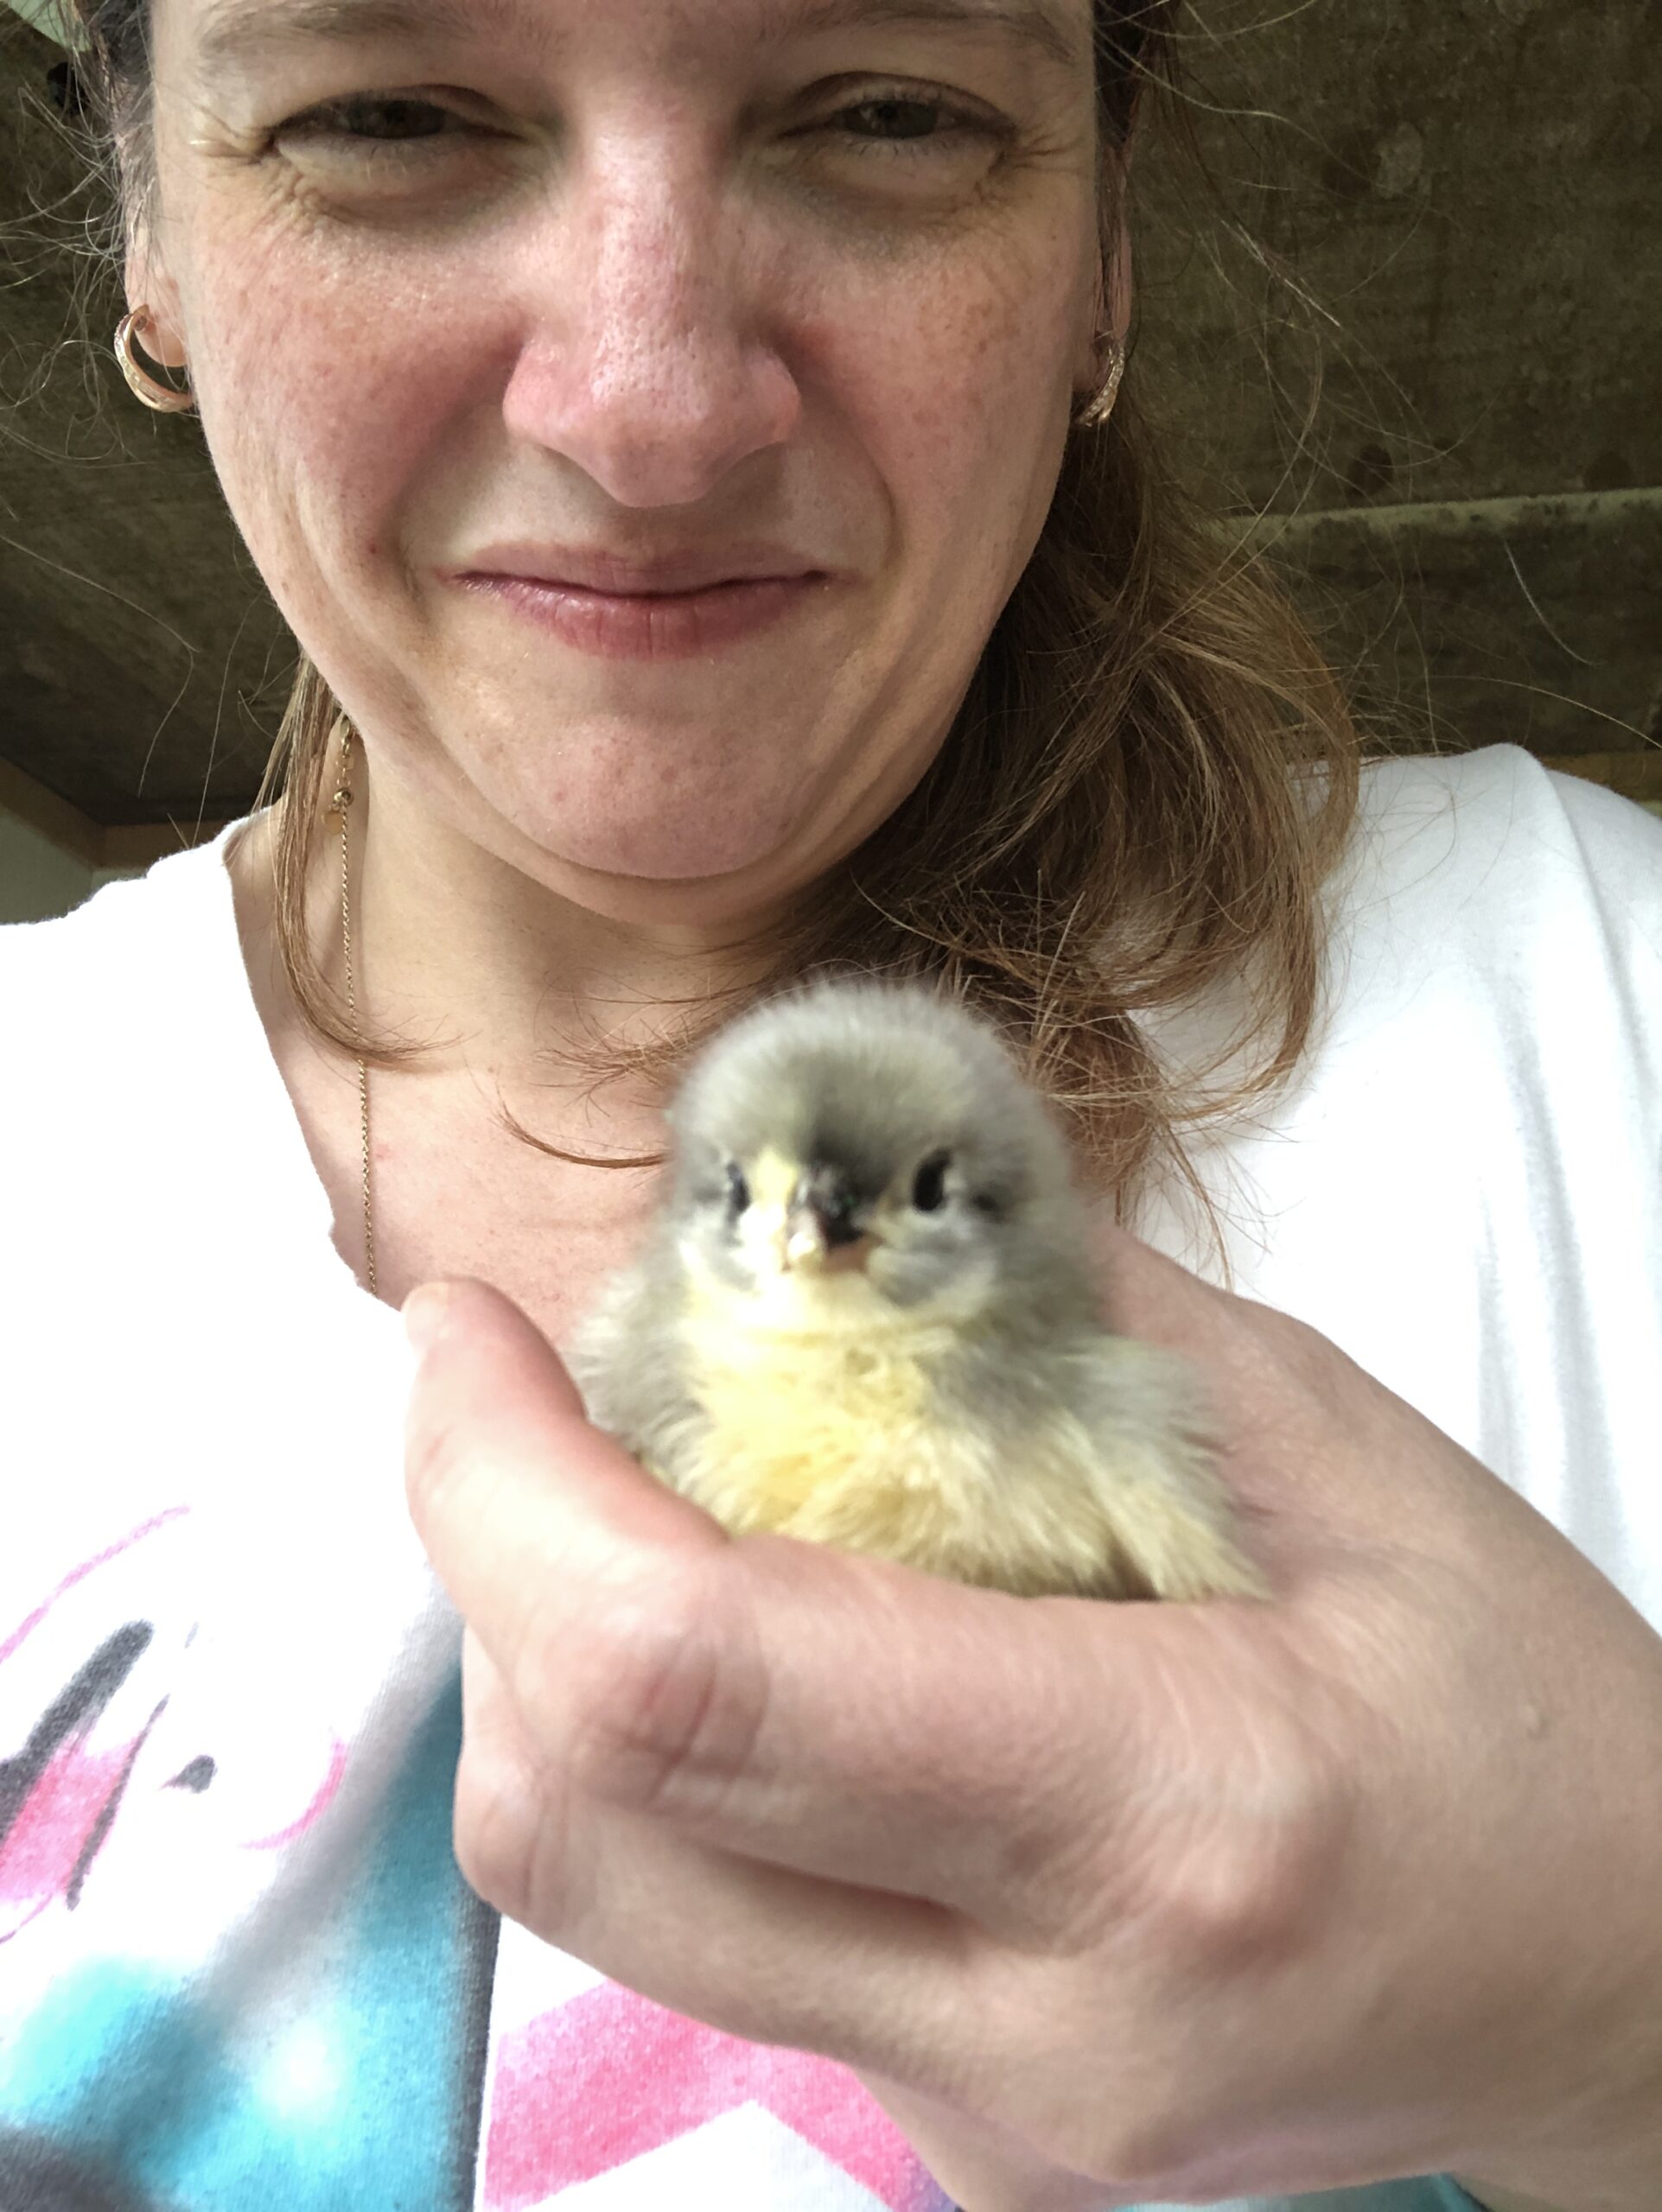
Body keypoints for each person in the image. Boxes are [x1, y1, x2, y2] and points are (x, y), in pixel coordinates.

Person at [1, 0, 1658, 2207]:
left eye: (887, 110)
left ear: (1101, 263)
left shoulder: (1601, 1004)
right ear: (155, 245)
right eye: (386, 113)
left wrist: (1617, 2017)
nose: (648, 407)